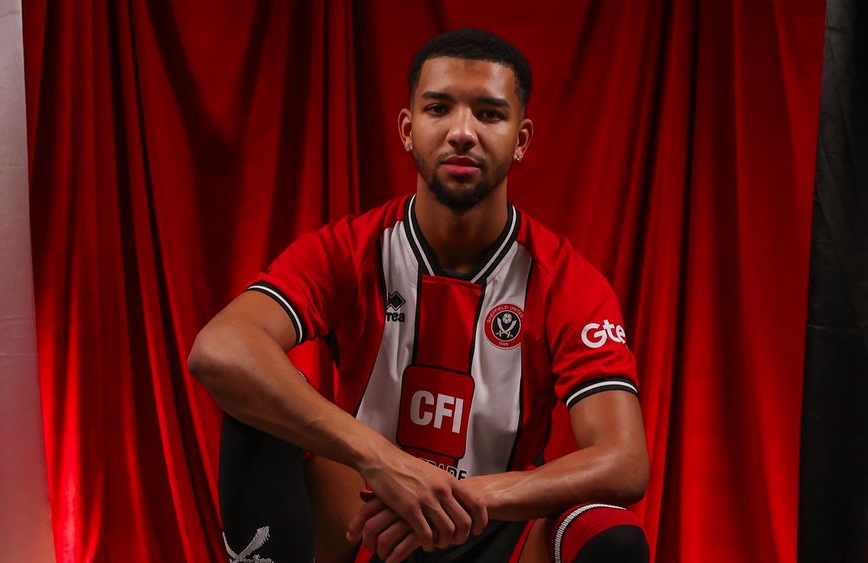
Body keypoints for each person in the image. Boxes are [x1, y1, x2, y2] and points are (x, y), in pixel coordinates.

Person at [189, 28, 649, 563]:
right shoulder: (351, 249)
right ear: (408, 130)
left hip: (496, 523)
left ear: (521, 139)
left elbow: (625, 459)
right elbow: (219, 348)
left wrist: (463, 495)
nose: (462, 132)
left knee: (609, 534)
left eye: (489, 114)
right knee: (255, 399)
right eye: (438, 108)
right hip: (366, 515)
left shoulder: (566, 280)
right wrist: (383, 461)